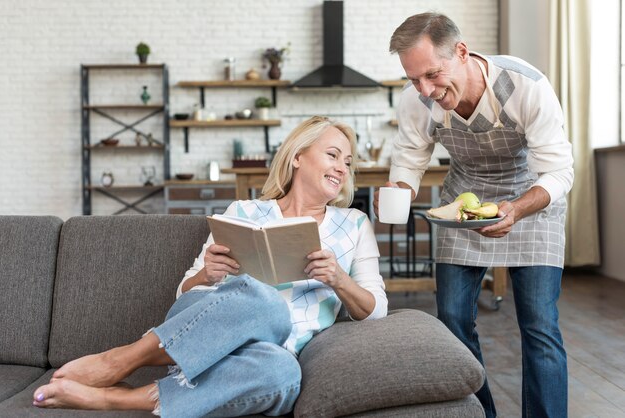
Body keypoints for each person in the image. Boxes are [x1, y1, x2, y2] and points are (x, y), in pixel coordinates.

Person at [33, 116, 388, 417]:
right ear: (298, 157)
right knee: (263, 300)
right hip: (206, 326)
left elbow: (376, 311)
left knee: (283, 375)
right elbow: (185, 292)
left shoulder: (355, 224)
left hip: (266, 354)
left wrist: (339, 279)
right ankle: (123, 359)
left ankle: (117, 398)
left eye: (348, 161)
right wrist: (208, 273)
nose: (342, 167)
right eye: (332, 155)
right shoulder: (243, 212)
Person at [378, 12, 574, 418]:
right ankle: (479, 413)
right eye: (414, 79)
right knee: (451, 318)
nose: (426, 90)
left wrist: (516, 209)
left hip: (532, 200)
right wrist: (397, 193)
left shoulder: (526, 85)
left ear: (462, 52)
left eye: (432, 74)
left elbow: (558, 170)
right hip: (462, 200)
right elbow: (410, 158)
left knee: (539, 326)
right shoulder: (416, 98)